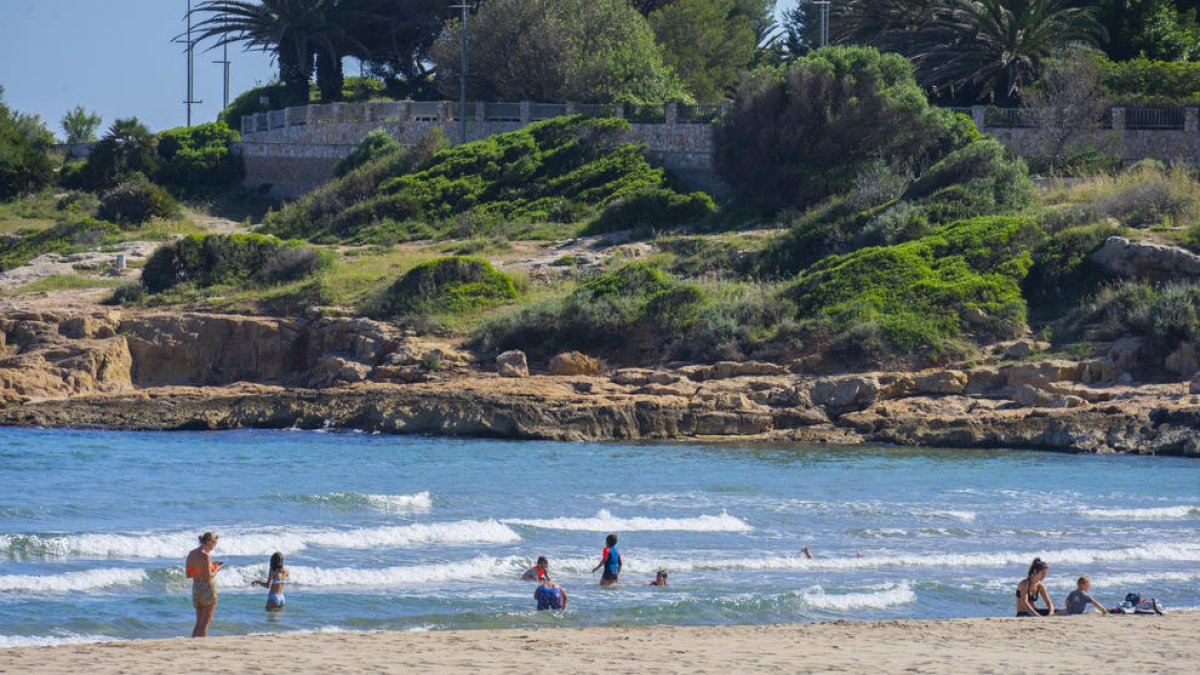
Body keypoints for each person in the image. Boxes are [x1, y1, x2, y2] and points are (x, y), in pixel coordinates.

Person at [186, 532, 223, 637]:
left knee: (198, 623)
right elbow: (208, 577)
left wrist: (210, 566)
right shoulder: (205, 556)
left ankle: (193, 643)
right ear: (210, 542)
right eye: (214, 544)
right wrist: (216, 569)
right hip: (207, 588)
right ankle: (200, 644)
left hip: (196, 588)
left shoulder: (191, 553)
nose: (213, 547)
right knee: (204, 624)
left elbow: (189, 574)